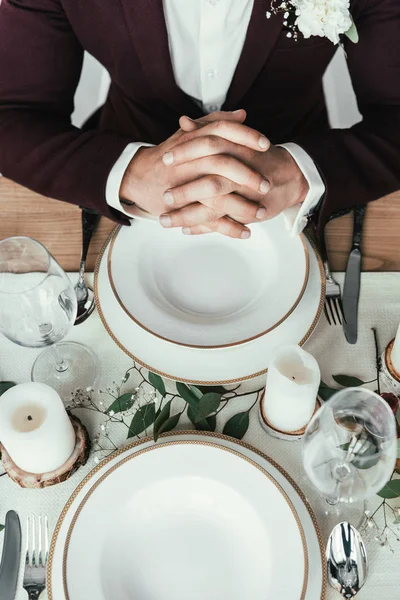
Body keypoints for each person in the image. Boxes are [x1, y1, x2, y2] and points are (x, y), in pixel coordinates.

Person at [0, 0, 399, 240]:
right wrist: (128, 173)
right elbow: (12, 114)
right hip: (124, 193)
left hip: (296, 198)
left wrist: (301, 173)